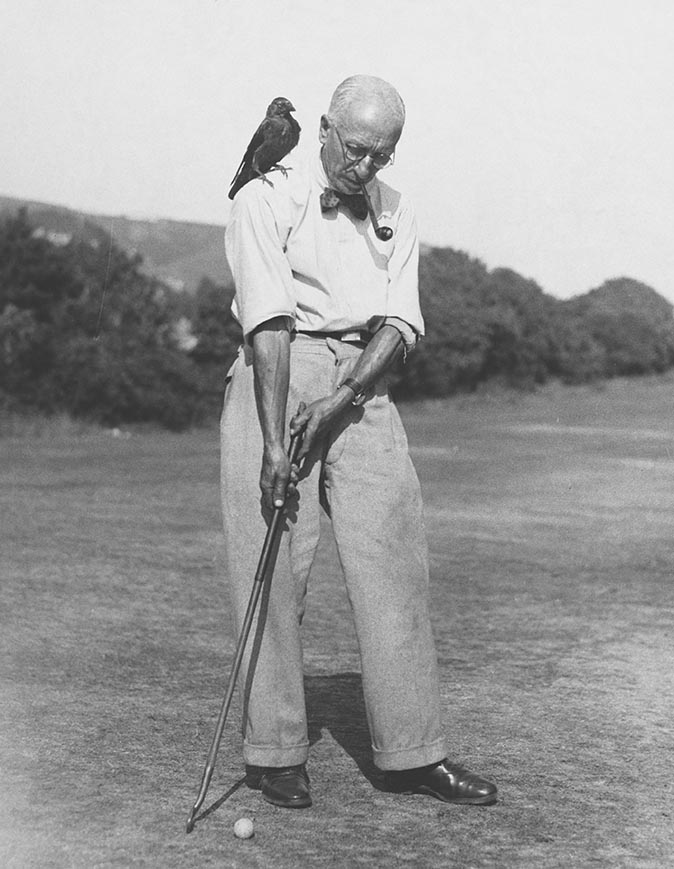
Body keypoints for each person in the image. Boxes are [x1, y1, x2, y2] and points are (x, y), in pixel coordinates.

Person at [221, 74, 497, 809]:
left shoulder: (396, 210)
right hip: (275, 371)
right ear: (323, 129)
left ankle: (412, 753)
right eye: (357, 149)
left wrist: (344, 397)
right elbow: (269, 323)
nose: (367, 168)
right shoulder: (263, 197)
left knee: (395, 561)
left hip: (363, 383)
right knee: (274, 559)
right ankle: (274, 750)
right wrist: (279, 441)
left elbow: (399, 322)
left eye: (383, 155)